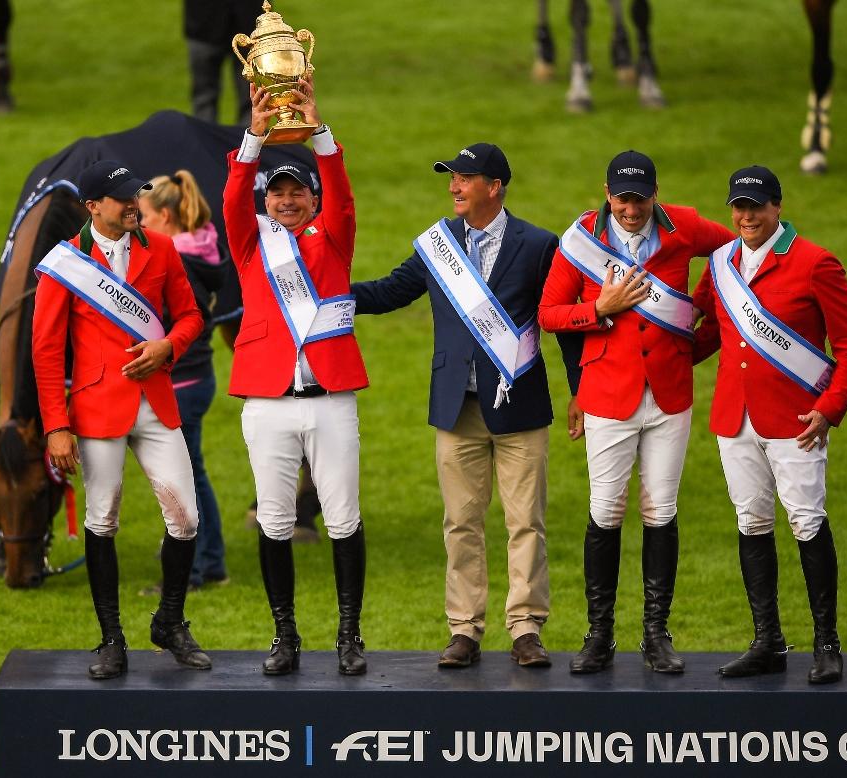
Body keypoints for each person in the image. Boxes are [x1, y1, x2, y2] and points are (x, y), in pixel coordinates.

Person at [352, 143, 581, 669]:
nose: (453, 187)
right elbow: (392, 290)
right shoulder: (439, 245)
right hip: (457, 407)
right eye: (451, 179)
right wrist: (329, 294)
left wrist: (580, 388)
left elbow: (560, 319)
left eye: (463, 178)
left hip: (520, 405)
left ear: (494, 186)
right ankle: (465, 629)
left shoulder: (538, 244)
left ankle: (525, 629)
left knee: (526, 521)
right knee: (461, 522)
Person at [538, 150, 734, 675]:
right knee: (605, 511)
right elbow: (549, 313)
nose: (631, 209)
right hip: (608, 395)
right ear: (607, 194)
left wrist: (703, 314)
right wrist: (598, 309)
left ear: (654, 193)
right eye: (622, 199)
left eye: (640, 198)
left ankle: (655, 634)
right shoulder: (579, 239)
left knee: (660, 510)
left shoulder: (683, 225)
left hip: (669, 393)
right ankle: (599, 635)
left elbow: (736, 251)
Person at [32, 159, 211, 679]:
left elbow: (193, 316)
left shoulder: (164, 250)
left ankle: (170, 621)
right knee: (102, 519)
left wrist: (167, 347)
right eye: (123, 198)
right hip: (94, 409)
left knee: (186, 519)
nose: (135, 204)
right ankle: (111, 638)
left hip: (156, 402)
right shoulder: (65, 264)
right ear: (93, 207)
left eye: (138, 195)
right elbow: (46, 352)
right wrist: (55, 425)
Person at [691, 165, 847, 684]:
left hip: (797, 420)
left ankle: (827, 644)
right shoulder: (721, 263)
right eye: (738, 207)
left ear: (776, 207)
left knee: (807, 522)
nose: (745, 216)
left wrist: (830, 408)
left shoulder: (816, 263)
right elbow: (705, 330)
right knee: (752, 523)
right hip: (735, 415)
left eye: (755, 207)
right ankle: (767, 641)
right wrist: (650, 354)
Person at [223, 77, 369, 676]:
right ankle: (285, 635)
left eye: (297, 193)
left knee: (342, 518)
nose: (286, 201)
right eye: (276, 193)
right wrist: (256, 136)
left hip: (330, 398)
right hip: (267, 400)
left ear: (311, 200)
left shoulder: (332, 238)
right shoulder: (250, 243)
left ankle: (349, 636)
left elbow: (344, 197)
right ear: (266, 200)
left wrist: (320, 132)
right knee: (276, 521)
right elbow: (233, 197)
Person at [138, 170, 231, 592]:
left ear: (165, 216)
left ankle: (189, 571)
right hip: (200, 379)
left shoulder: (174, 261)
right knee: (195, 472)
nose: (138, 226)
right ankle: (212, 564)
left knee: (179, 479)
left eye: (143, 217)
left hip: (181, 382)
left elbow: (175, 324)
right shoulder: (204, 251)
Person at [183, 0, 258, 125]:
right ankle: (204, 142)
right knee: (204, 98)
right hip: (203, 24)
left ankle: (250, 143)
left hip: (249, 26)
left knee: (252, 98)